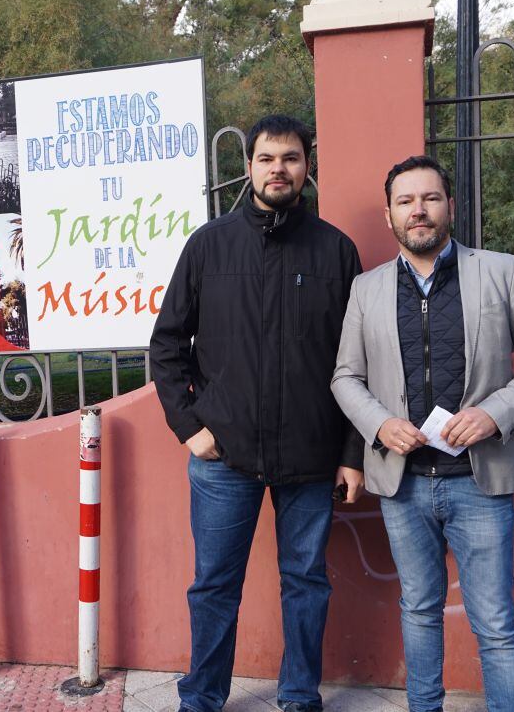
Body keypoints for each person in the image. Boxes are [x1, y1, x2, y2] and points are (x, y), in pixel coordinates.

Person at [330, 155, 514, 712]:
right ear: (390, 215)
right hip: (403, 485)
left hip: (480, 482)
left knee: (494, 622)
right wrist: (380, 425)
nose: (418, 210)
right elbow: (345, 376)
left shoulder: (501, 272)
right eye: (406, 201)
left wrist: (495, 413)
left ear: (450, 207)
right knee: (418, 611)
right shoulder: (366, 289)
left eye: (430, 198)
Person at [150, 115, 364, 712]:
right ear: (248, 167)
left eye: (291, 158)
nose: (279, 169)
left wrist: (350, 456)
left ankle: (299, 696)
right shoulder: (209, 246)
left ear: (307, 166)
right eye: (267, 158)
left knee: (306, 584)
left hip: (312, 457)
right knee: (214, 586)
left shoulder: (336, 251)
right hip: (225, 458)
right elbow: (167, 345)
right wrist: (190, 427)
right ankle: (203, 697)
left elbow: (357, 365)